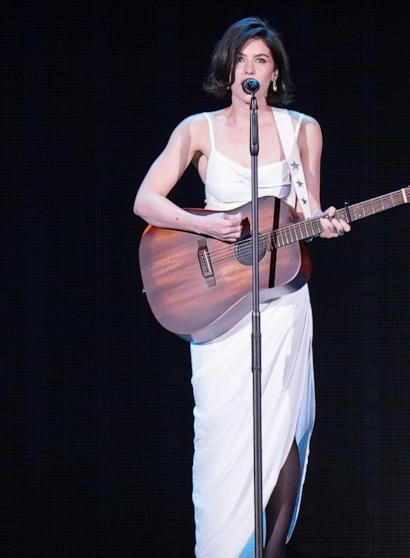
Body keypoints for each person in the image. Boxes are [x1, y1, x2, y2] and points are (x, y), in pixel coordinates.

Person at [133, 16, 349, 558]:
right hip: (220, 306)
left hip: (281, 304)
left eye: (262, 61)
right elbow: (146, 201)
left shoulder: (303, 129)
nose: (250, 70)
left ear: (274, 75)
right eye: (242, 60)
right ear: (227, 70)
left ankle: (272, 550)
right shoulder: (197, 130)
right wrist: (204, 224)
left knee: (281, 432)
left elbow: (305, 212)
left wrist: (325, 222)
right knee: (220, 441)